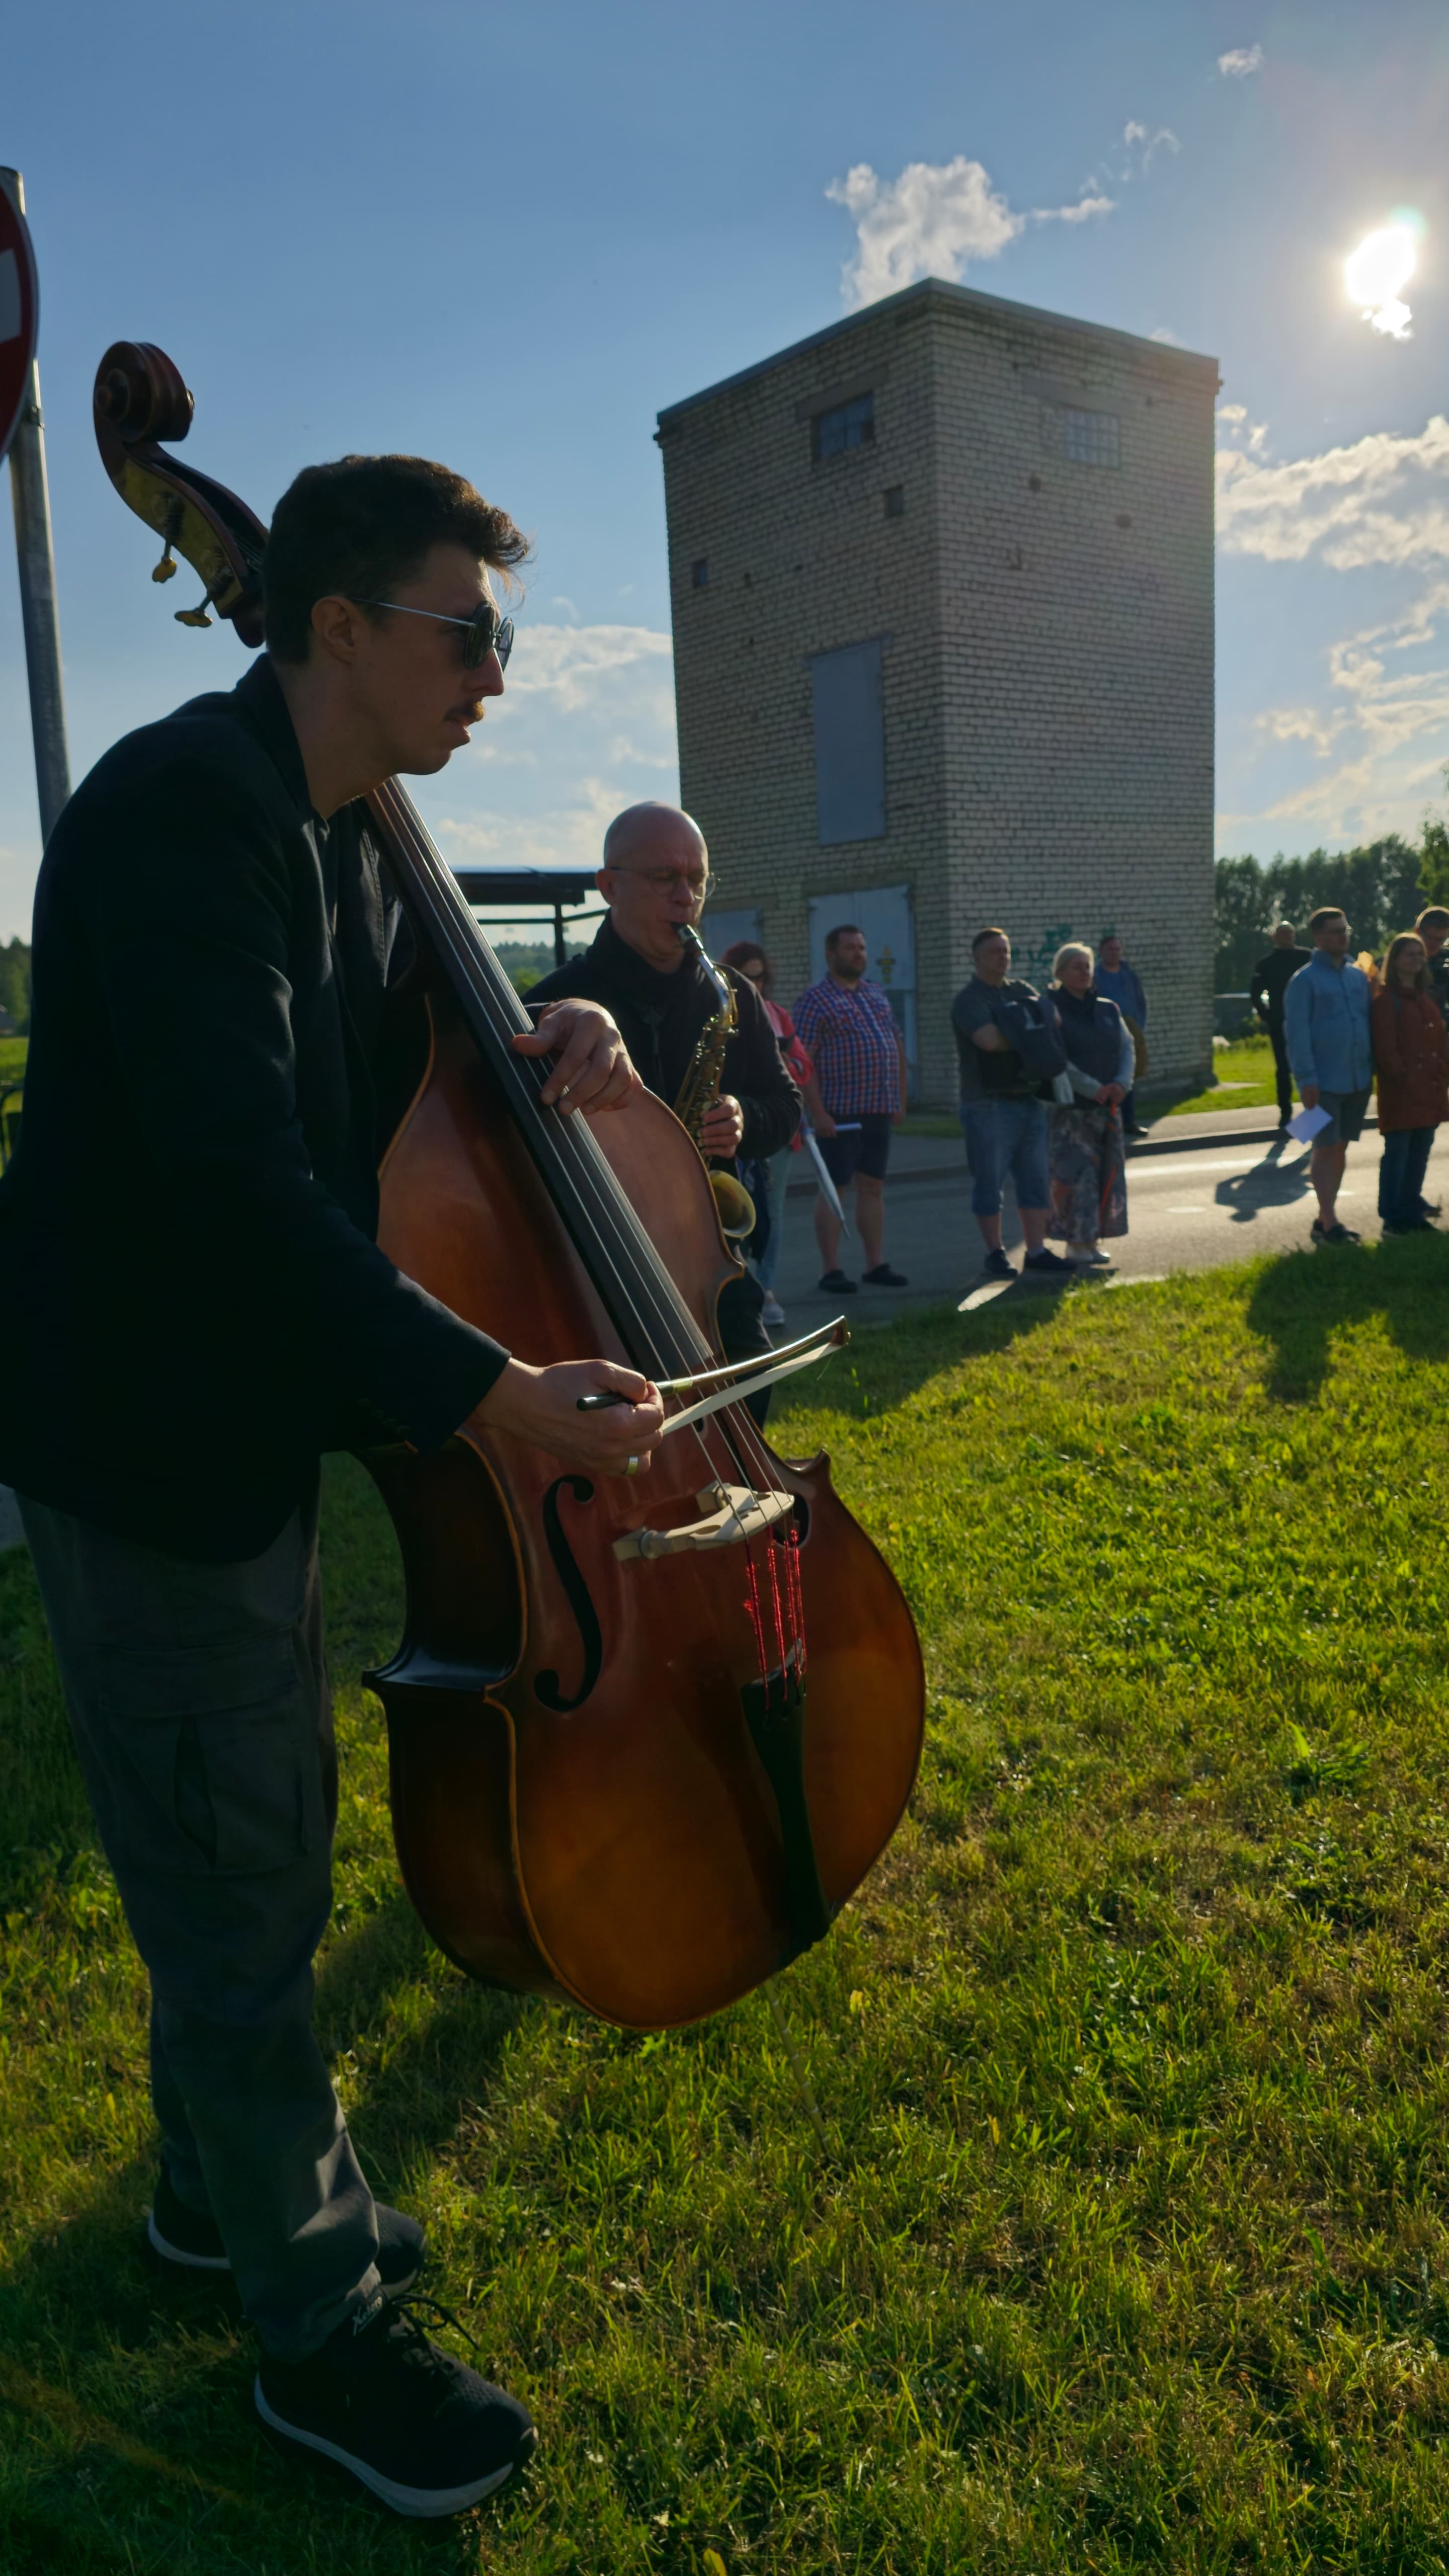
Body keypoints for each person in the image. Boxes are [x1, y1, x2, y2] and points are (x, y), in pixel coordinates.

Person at [0, 455, 669, 2520]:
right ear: (343, 627)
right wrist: (497, 1398)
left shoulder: (359, 849)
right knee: (242, 1874)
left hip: (244, 1421)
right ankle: (315, 2322)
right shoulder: (181, 814)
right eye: (469, 632)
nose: (495, 674)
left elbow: (409, 1093)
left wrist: (560, 1027)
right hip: (143, 1433)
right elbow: (239, 1193)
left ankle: (208, 2199)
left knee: (245, 1810)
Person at [528, 810, 799, 1394]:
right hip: (601, 1268)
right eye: (664, 877)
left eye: (697, 880)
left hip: (713, 1262)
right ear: (609, 885)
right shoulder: (553, 1003)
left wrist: (745, 1117)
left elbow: (785, 1105)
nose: (686, 897)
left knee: (749, 1391)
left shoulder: (732, 993)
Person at [793, 925, 909, 1294]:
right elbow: (802, 1061)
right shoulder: (815, 1000)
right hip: (839, 1115)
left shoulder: (876, 993)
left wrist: (900, 1100)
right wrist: (818, 1112)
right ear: (831, 955)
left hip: (878, 1109)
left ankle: (875, 1263)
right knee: (835, 1190)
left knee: (872, 1187)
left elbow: (896, 1046)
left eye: (861, 947)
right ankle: (832, 1270)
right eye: (850, 948)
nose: (858, 954)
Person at [950, 928, 1071, 1282]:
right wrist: (1030, 1031)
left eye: (1005, 951)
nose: (1002, 957)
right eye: (994, 952)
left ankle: (1036, 1251)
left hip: (1029, 1099)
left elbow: (1055, 1021)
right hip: (987, 1104)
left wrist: (1020, 1027)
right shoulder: (969, 1000)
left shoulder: (1020, 990)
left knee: (1036, 1181)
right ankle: (995, 1253)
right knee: (990, 1184)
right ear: (976, 958)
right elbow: (989, 1041)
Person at [719, 939, 811, 1328]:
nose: (753, 985)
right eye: (746, 977)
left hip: (775, 1131)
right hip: (731, 1134)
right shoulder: (720, 1008)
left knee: (772, 1213)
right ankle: (735, 1285)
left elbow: (803, 1069)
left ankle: (767, 1287)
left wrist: (786, 1061)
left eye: (758, 978)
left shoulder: (778, 1015)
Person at [1283, 906, 1374, 1245]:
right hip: (1323, 1083)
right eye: (1335, 931)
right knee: (1325, 1147)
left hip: (1358, 1079)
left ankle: (1326, 1218)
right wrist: (1306, 1080)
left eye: (1345, 929)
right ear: (1319, 937)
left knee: (1341, 1147)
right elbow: (1297, 1035)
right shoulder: (1304, 981)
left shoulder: (1357, 976)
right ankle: (1328, 1220)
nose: (1343, 936)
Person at [1046, 942, 1133, 1265]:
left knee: (1105, 1175)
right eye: (1077, 966)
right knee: (1077, 1178)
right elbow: (1056, 1057)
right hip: (1072, 1111)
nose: (1084, 972)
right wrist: (1092, 1088)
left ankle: (1093, 1240)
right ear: (1060, 973)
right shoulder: (1052, 1009)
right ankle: (1075, 1243)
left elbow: (1127, 1049)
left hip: (1107, 1109)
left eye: (1088, 966)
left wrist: (1122, 1084)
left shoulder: (1108, 1009)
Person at [1371, 931, 1448, 1233]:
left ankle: (1412, 1208)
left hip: (1430, 1091)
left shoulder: (1425, 997)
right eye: (1409, 954)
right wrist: (1405, 1078)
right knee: (1398, 1154)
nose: (1416, 959)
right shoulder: (1386, 1001)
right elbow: (1386, 1050)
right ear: (1395, 960)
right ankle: (1394, 1216)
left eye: (1420, 954)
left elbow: (1440, 1041)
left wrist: (1442, 1073)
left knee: (1420, 1152)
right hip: (1402, 1093)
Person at [1249, 921, 1313, 1129]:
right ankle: (1286, 1115)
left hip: (1309, 1022)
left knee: (1313, 1066)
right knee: (1284, 1068)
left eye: (1290, 933)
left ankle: (1312, 1119)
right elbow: (1256, 993)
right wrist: (1268, 1016)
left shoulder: (1307, 957)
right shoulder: (1266, 964)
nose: (1287, 937)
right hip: (1281, 1023)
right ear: (1274, 937)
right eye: (1283, 934)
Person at [1094, 932, 1149, 1138]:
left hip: (1130, 1028)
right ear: (1101, 952)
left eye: (1118, 949)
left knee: (1129, 1075)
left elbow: (1141, 1001)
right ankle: (1108, 1122)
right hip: (1106, 1031)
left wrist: (1138, 1025)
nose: (1115, 953)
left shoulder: (1129, 976)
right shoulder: (1096, 976)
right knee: (1108, 1076)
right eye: (1110, 949)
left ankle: (1129, 1121)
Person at [1417, 906, 1449, 1016]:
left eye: (1440, 940)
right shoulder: (1400, 960)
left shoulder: (1446, 961)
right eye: (1430, 938)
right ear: (1417, 932)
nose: (1434, 944)